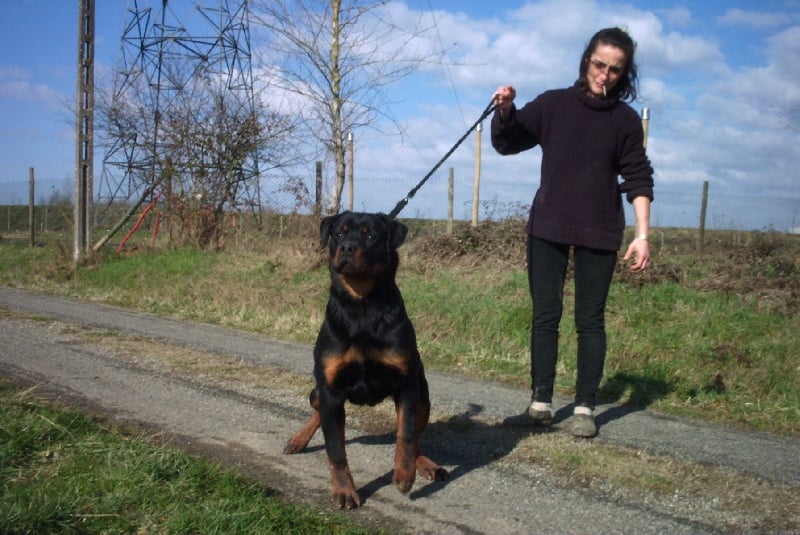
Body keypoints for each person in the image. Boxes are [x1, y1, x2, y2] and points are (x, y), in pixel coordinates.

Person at [490, 27, 654, 438]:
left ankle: (584, 408)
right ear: (586, 60)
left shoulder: (625, 120)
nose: (605, 74)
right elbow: (508, 142)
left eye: (615, 69)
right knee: (545, 316)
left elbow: (638, 177)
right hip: (548, 225)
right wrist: (505, 111)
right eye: (599, 64)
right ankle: (540, 405)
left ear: (624, 73)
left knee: (590, 321)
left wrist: (642, 235)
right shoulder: (553, 104)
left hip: (600, 230)